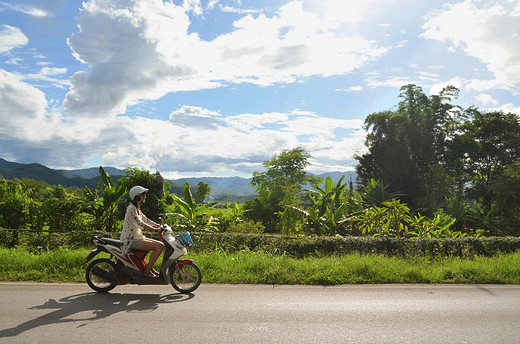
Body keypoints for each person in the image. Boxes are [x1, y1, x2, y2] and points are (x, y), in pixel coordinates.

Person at [120, 185, 164, 278]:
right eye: (143, 195)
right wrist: (154, 229)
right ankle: (147, 272)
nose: (145, 196)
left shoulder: (136, 208)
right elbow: (140, 223)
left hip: (137, 237)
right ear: (137, 196)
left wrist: (157, 225)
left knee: (160, 245)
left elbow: (145, 219)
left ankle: (149, 268)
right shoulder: (132, 208)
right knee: (159, 247)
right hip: (131, 240)